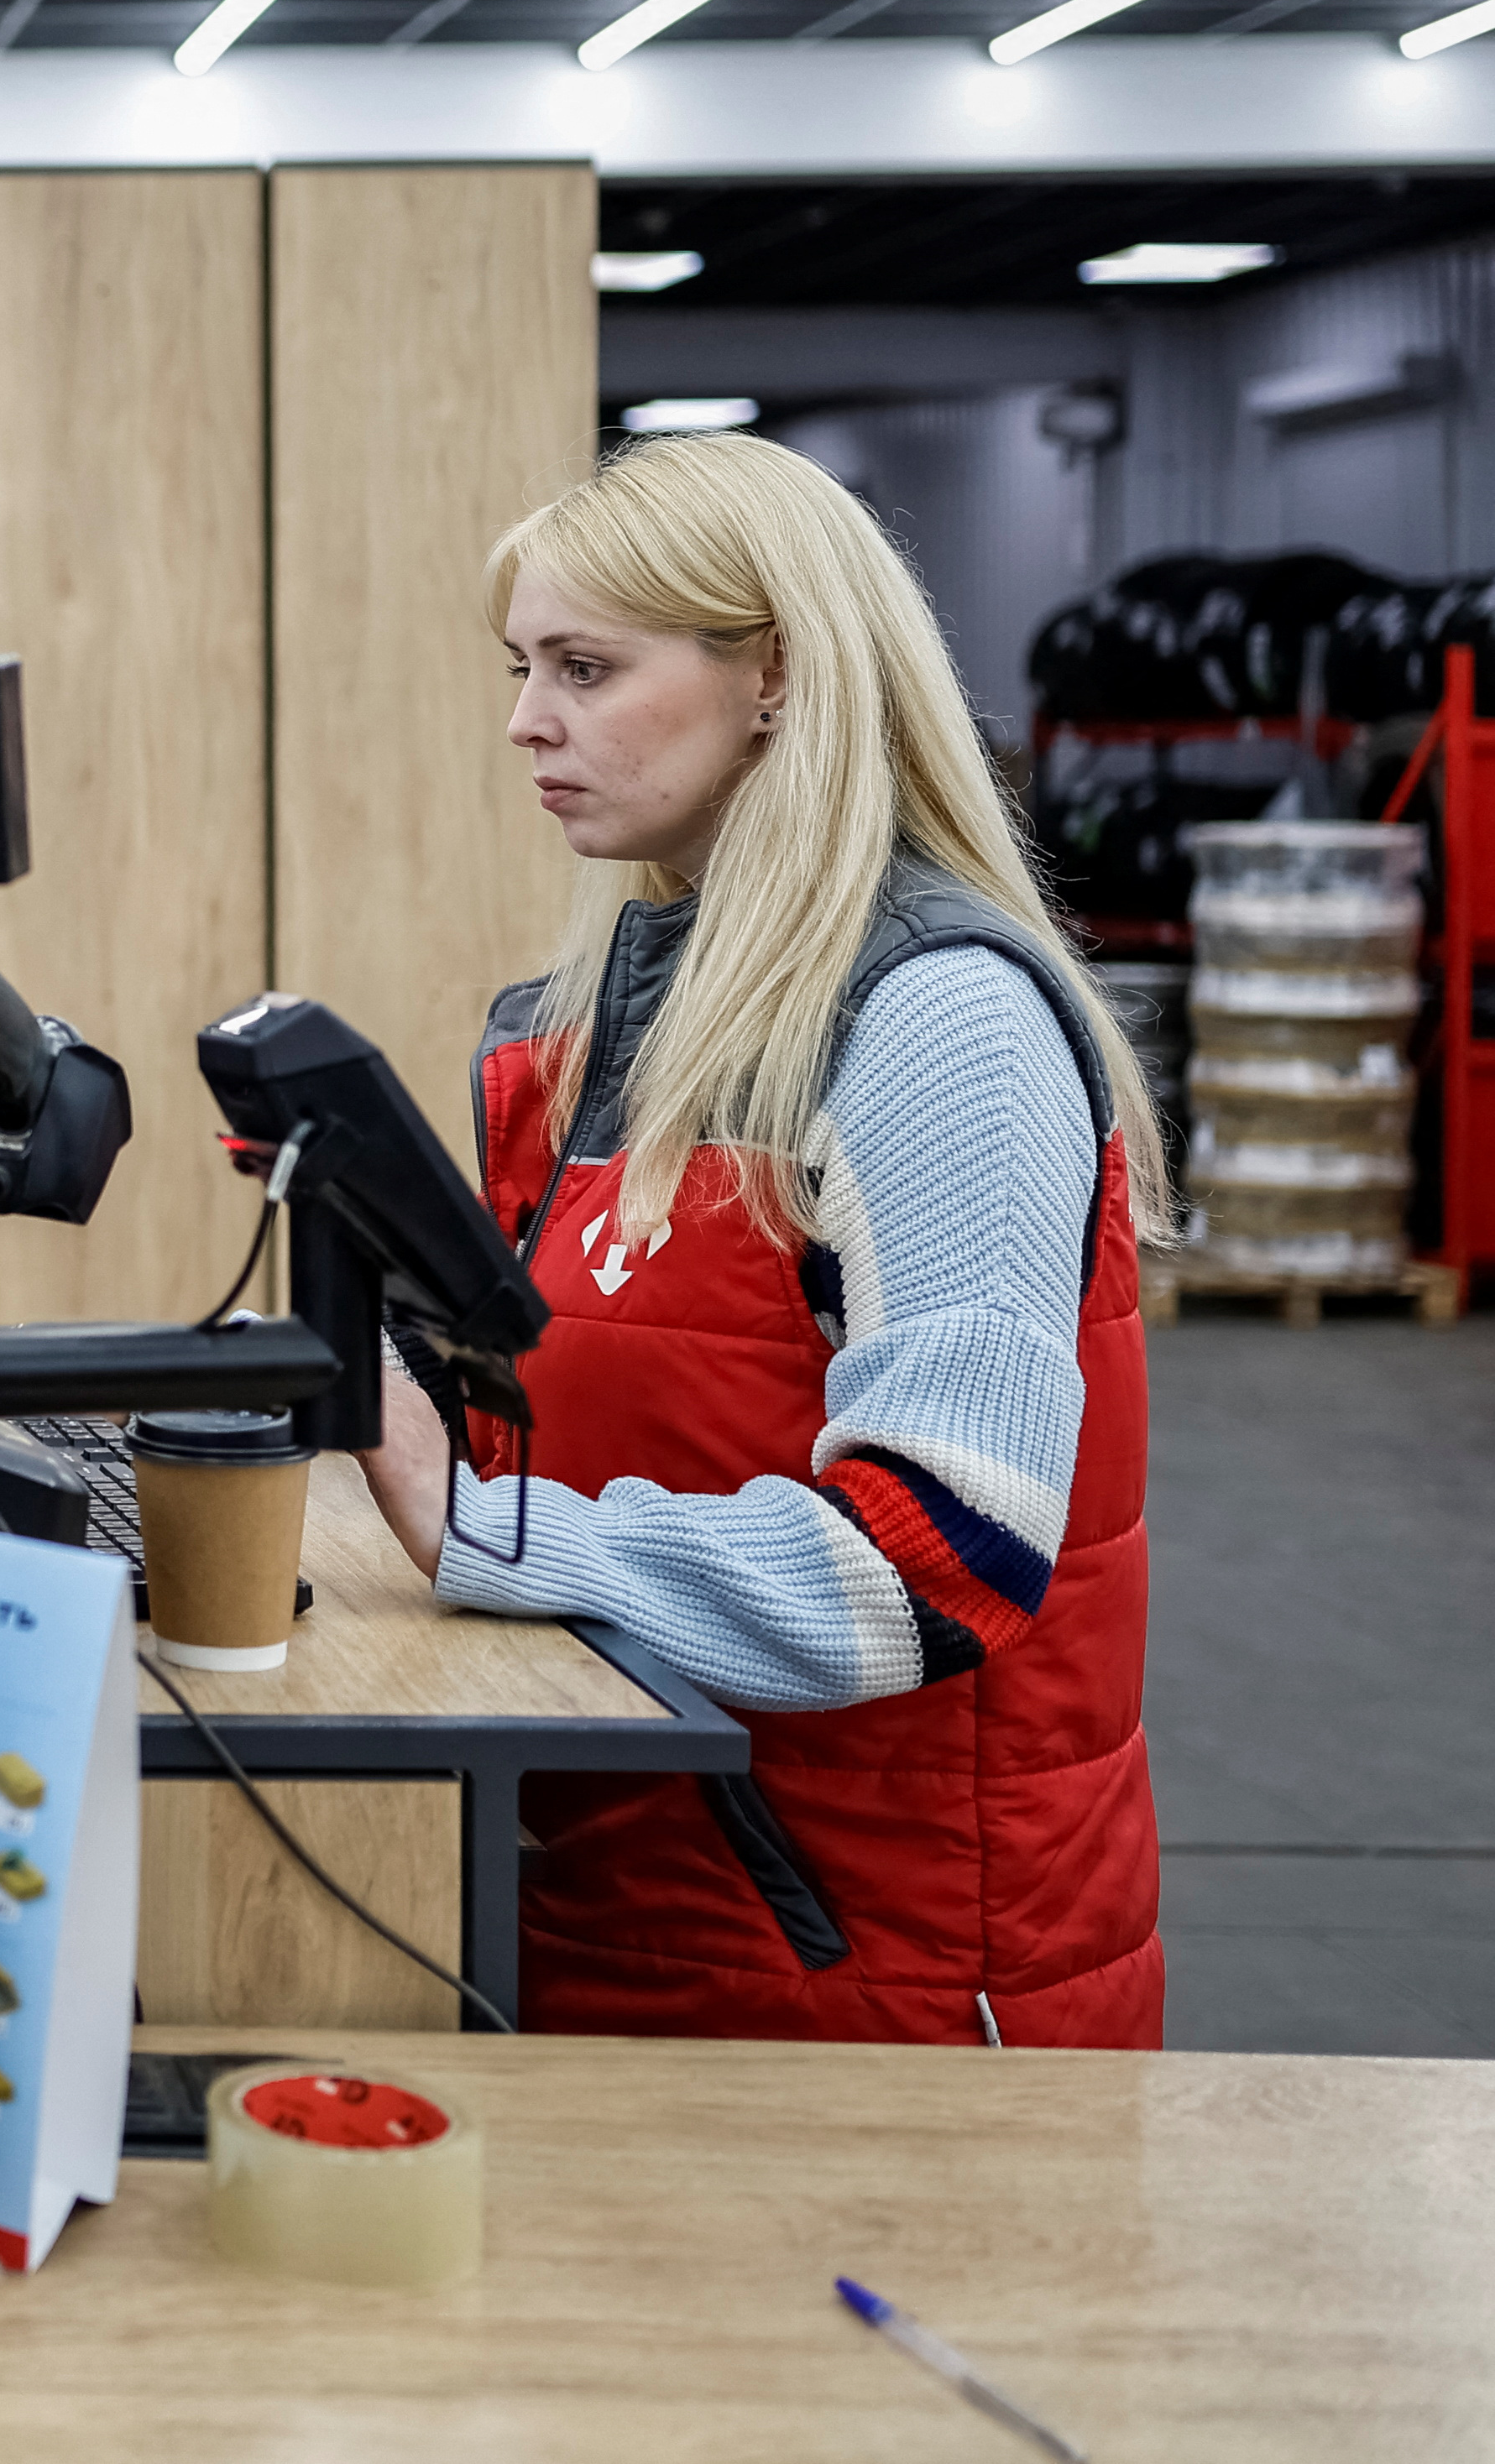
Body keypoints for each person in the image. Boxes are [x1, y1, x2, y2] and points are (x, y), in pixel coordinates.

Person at [353, 431, 1166, 2049]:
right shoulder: (606, 1027)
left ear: (776, 677)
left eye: (584, 668)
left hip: (878, 1970)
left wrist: (482, 1535)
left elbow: (944, 1558)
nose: (524, 720)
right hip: (647, 1908)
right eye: (521, 666)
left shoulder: (935, 1025)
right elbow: (583, 1391)